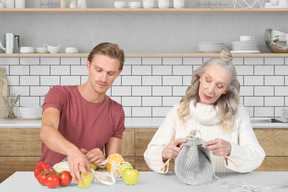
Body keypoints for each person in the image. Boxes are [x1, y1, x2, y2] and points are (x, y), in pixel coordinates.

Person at [144, 48, 265, 173]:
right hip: (188, 186)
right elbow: (150, 154)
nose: (210, 90)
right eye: (208, 80)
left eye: (220, 86)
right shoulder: (179, 110)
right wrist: (164, 153)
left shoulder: (237, 113)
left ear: (226, 90)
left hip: (226, 186)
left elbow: (257, 156)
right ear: (200, 77)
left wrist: (231, 150)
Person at [39, 42, 125, 184]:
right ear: (88, 65)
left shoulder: (116, 111)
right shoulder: (59, 94)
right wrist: (73, 152)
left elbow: (114, 164)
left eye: (110, 73)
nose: (103, 79)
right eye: (98, 70)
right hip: (53, 181)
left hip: (89, 183)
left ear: (118, 74)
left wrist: (103, 161)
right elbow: (46, 130)